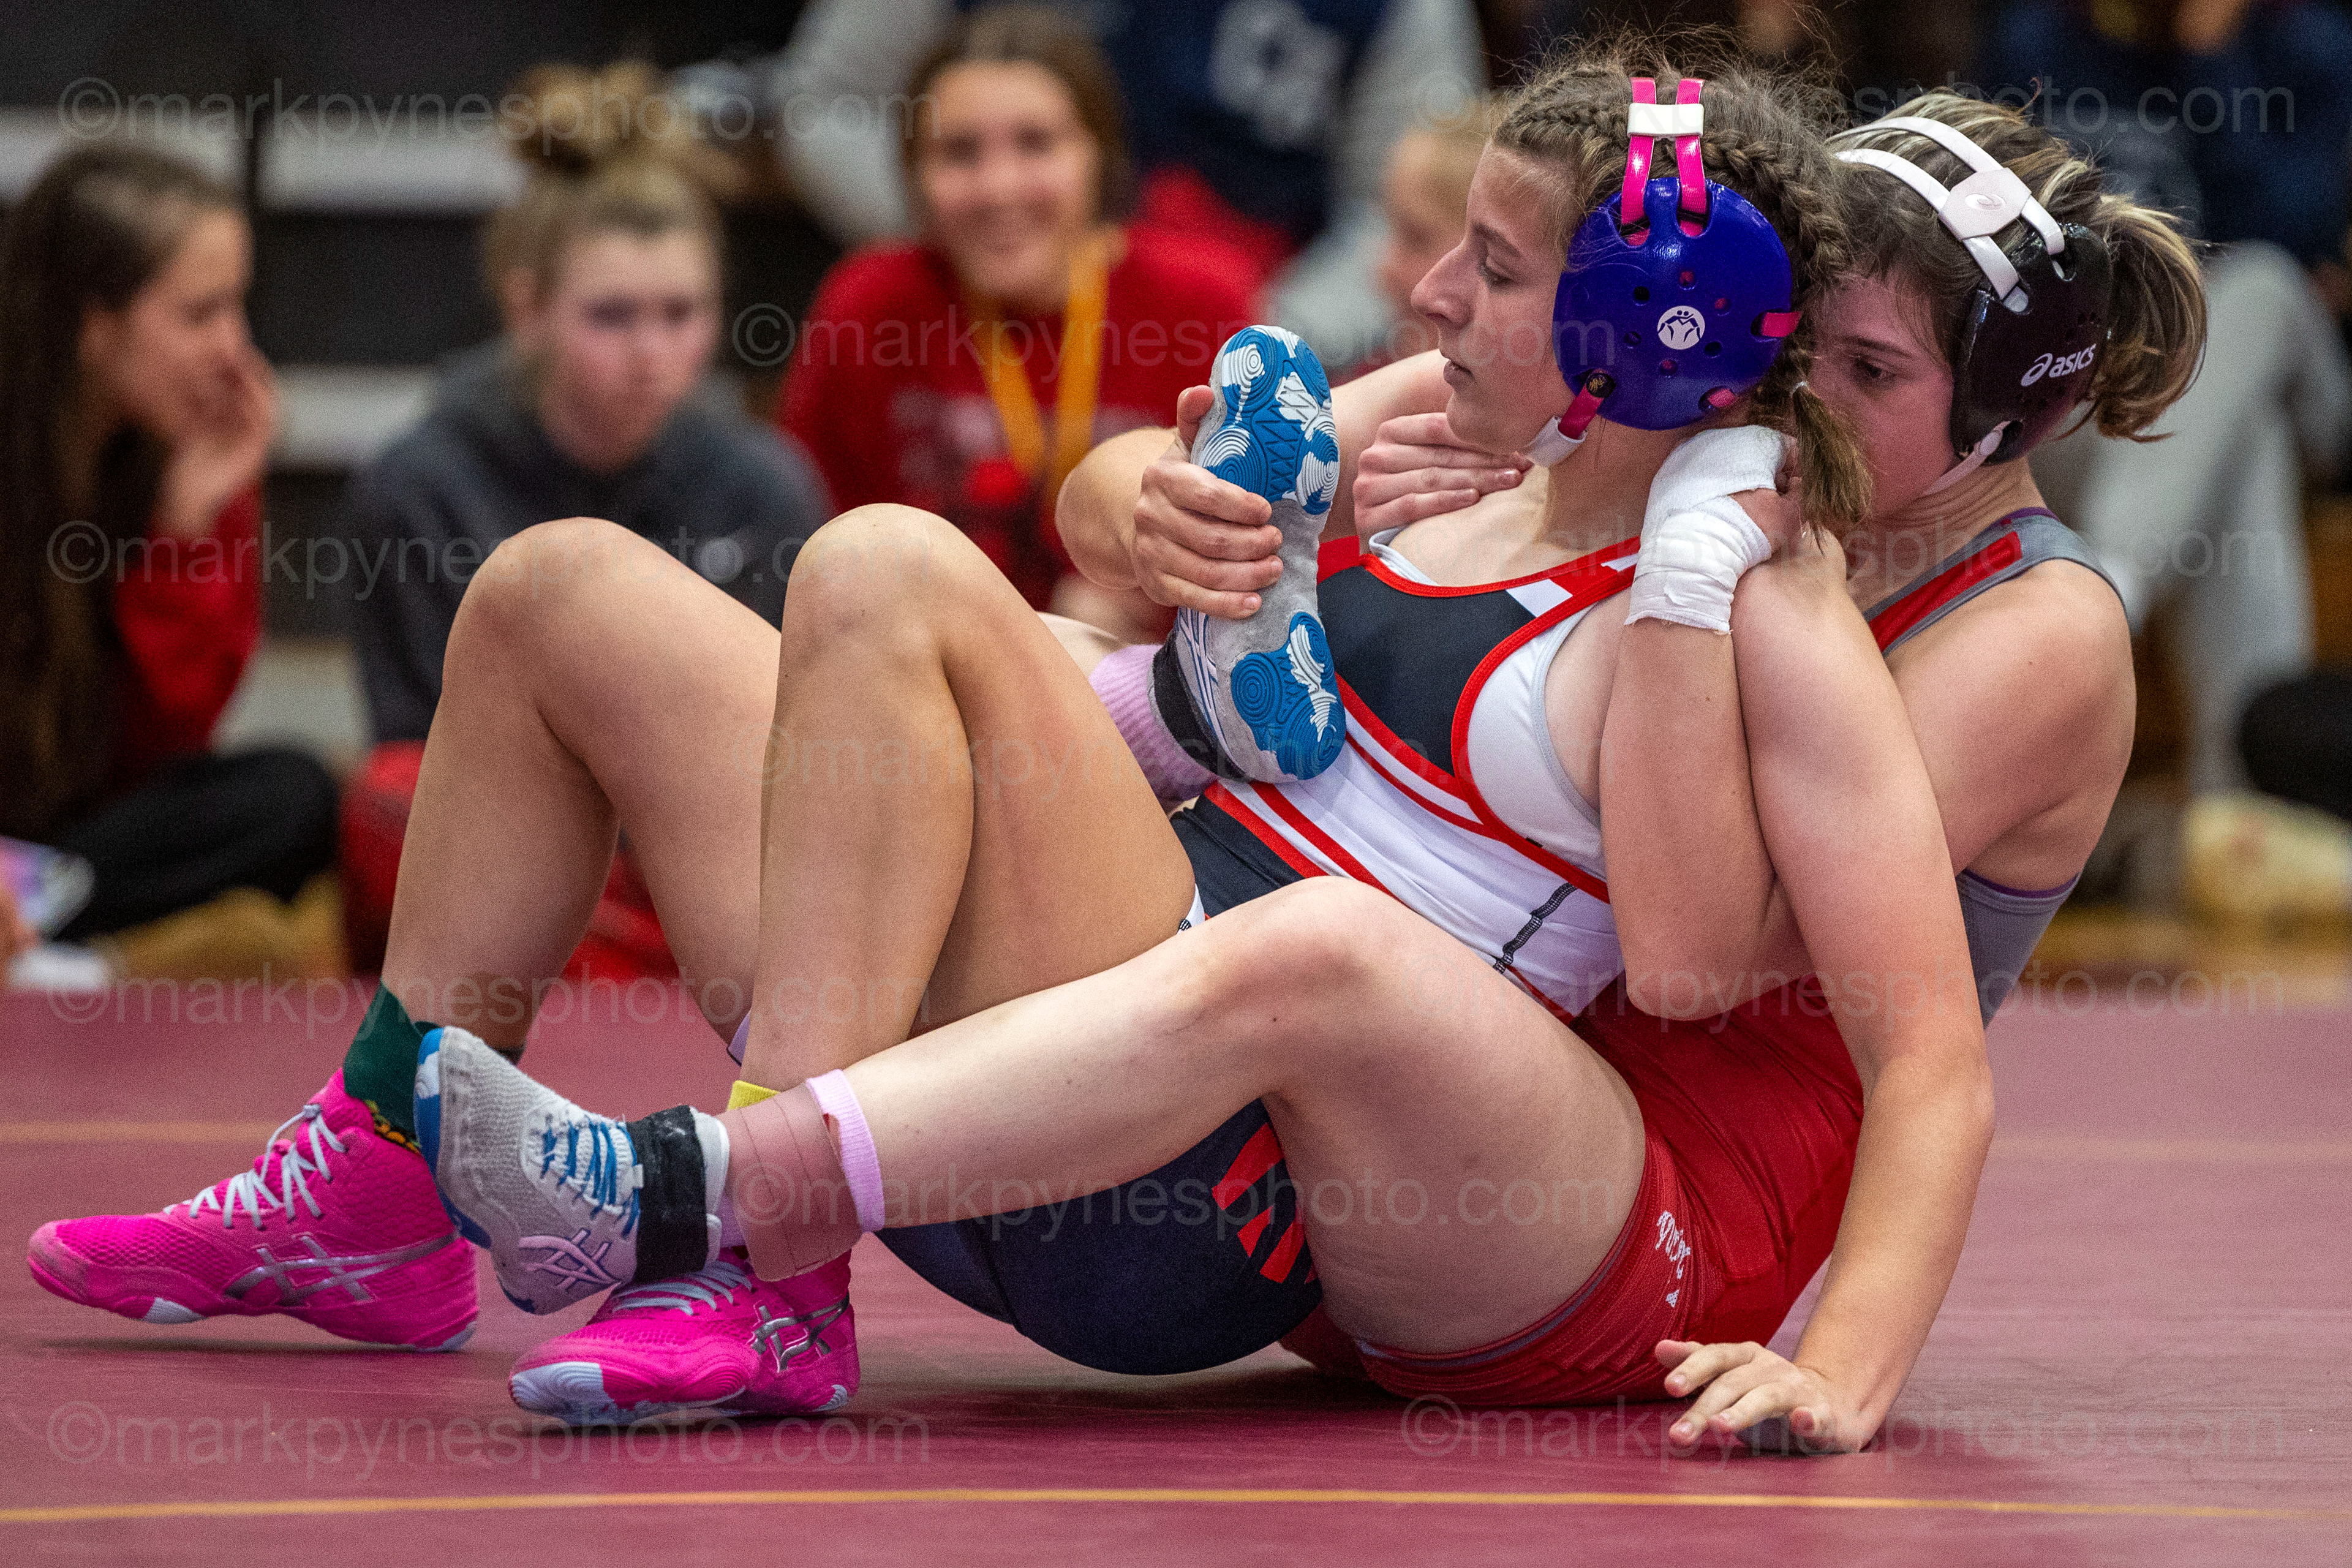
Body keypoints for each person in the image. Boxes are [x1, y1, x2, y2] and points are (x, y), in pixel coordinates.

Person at [29, 67, 2203, 1453]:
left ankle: (729, 1213)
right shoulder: (1476, 419)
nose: (1430, 292)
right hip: (1203, 1025)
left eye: (1860, 366)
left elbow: (1737, 958)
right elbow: (1122, 520)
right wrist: (1122, 516)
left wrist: (1855, 1363)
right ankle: (390, 1167)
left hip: (1388, 1154)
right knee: (573, 587)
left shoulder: (1836, 590)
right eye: (1795, 342)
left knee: (1246, 869)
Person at [340, 61, 831, 975]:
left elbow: (790, 754)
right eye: (612, 316)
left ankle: (639, 964)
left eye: (680, 314)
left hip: (704, 848)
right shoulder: (422, 485)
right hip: (505, 844)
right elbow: (415, 753)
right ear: (528, 308)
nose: (653, 353)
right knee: (383, 805)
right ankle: (678, 973)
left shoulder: (764, 488)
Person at [775, 6, 1256, 643]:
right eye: (960, 152)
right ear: (913, 175)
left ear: (1100, 158)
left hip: (1156, 694)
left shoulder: (1202, 303)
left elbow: (1264, 554)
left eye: (1036, 144)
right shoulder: (868, 306)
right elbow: (805, 552)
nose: (999, 187)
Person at [0, 143, 336, 949]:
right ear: (93, 325)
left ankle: (41, 922)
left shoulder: (185, 459)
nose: (235, 348)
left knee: (298, 794)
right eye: (200, 314)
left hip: (71, 841)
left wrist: (185, 539)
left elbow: (166, 753)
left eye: (237, 307)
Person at [771, 0, 1486, 366]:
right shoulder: (870, 310)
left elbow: (1416, 204)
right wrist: (981, 235)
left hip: (1258, 331)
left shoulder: (1399, 11)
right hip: (968, 326)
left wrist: (1267, 346)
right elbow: (826, 103)